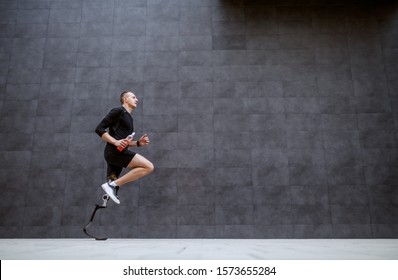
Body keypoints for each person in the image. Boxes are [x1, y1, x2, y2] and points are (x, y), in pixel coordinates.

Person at [95, 90, 154, 204]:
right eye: (133, 97)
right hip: (114, 152)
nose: (137, 99)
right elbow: (99, 129)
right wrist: (116, 142)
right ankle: (112, 185)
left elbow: (123, 140)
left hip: (116, 154)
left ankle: (111, 188)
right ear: (125, 99)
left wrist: (138, 143)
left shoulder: (129, 118)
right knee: (148, 167)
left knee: (112, 184)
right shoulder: (118, 111)